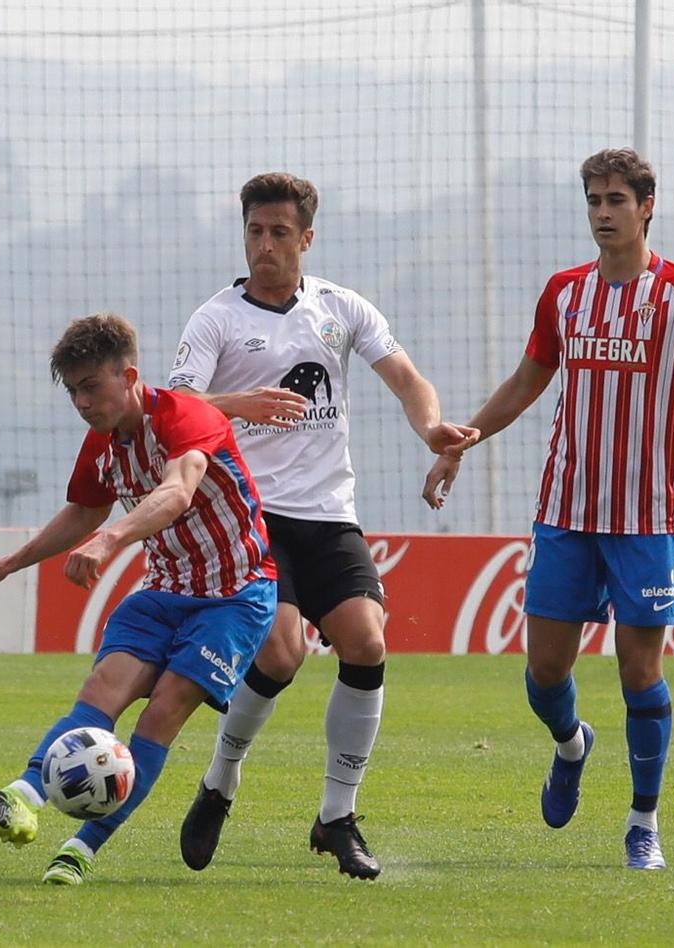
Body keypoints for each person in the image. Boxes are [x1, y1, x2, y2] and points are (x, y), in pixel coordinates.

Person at [424, 148, 674, 871]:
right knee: (544, 674)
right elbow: (528, 378)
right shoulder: (565, 293)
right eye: (594, 200)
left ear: (646, 206)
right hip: (565, 511)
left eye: (616, 201)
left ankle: (642, 823)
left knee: (639, 672)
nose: (603, 213)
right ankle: (572, 743)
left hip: (644, 520)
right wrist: (464, 440)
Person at [166, 172, 476, 880]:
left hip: (330, 513)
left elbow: (406, 379)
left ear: (306, 239)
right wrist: (238, 403)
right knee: (281, 654)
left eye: (280, 233)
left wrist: (433, 428)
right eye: (255, 232)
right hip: (251, 513)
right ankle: (220, 781)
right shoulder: (216, 318)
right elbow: (176, 409)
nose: (265, 246)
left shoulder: (340, 309)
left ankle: (337, 816)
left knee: (367, 642)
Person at [0, 312, 276, 885]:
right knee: (100, 692)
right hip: (165, 591)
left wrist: (112, 540)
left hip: (234, 596)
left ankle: (79, 849)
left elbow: (177, 490)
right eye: (72, 390)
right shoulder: (101, 443)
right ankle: (15, 800)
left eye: (91, 386)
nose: (82, 402)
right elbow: (84, 511)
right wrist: (9, 563)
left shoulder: (186, 415)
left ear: (129, 376)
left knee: (163, 710)